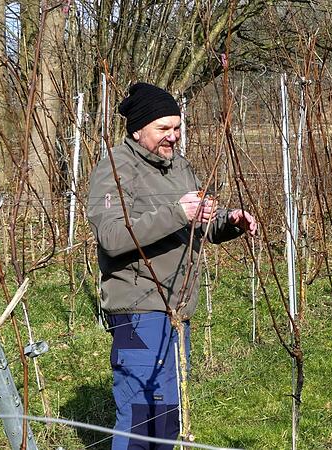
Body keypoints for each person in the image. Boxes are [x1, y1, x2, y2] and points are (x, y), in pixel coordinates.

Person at [86, 82, 257, 449]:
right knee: (139, 416)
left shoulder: (180, 167)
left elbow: (200, 224)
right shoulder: (115, 169)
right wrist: (178, 212)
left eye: (177, 127)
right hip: (138, 308)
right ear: (137, 129)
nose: (173, 136)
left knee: (167, 417)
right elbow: (114, 237)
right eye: (163, 129)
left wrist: (228, 221)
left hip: (177, 309)